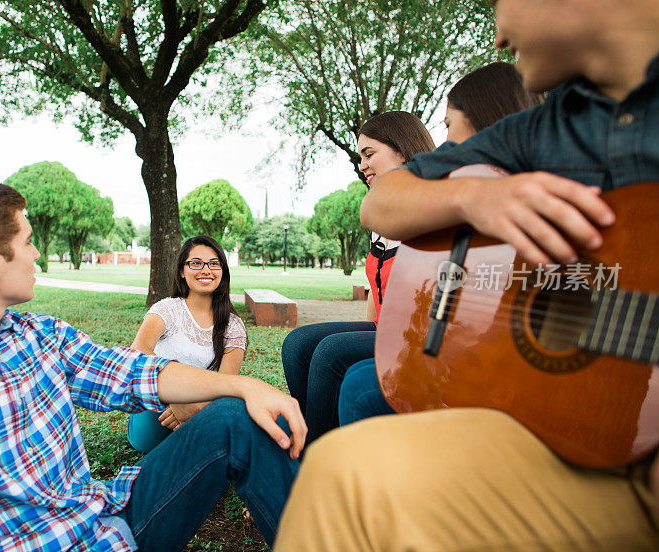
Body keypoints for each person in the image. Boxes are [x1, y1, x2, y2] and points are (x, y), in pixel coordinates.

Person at [274, 0, 659, 549]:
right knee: (342, 471)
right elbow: (382, 202)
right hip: (581, 441)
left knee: (351, 380)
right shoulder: (554, 126)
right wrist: (478, 196)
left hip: (622, 436)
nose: (499, 34)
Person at [0, 180, 306, 552]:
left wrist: (245, 385)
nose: (37, 255)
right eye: (28, 242)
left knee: (233, 416)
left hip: (106, 519)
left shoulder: (40, 335)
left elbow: (134, 371)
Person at [338, 61, 542, 427]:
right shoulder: (460, 183)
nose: (445, 140)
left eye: (449, 124)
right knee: (329, 356)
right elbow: (375, 208)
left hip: (502, 375)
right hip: (454, 348)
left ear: (485, 119)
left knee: (358, 384)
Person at [280, 111, 435, 446]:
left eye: (369, 154)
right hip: (384, 328)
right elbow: (375, 294)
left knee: (331, 352)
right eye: (359, 157)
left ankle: (313, 459)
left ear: (404, 151)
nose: (362, 165)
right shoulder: (382, 214)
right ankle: (314, 432)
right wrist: (362, 332)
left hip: (419, 338)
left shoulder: (433, 210)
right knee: (297, 344)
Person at [127, 235, 247, 452]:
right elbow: (137, 351)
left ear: (223, 271)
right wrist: (176, 399)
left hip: (204, 409)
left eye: (214, 264)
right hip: (158, 407)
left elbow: (225, 384)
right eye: (196, 263)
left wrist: (192, 407)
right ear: (182, 271)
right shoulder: (167, 309)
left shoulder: (234, 325)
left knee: (233, 413)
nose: (206, 270)